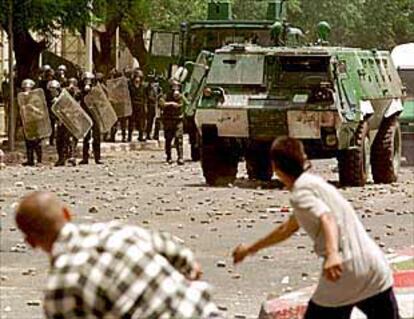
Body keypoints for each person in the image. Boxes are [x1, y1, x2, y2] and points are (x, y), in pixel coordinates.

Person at [232, 137, 399, 319]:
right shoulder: (315, 184)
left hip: (343, 271)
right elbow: (287, 228)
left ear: (275, 167)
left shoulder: (300, 194)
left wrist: (332, 254)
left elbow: (326, 217)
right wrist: (251, 249)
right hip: (374, 268)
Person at [15, 192, 220, 319]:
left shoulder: (59, 290)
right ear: (67, 214)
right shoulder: (120, 232)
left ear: (31, 242)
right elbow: (188, 263)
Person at [79, 72, 103, 165]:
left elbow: (101, 101)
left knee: (97, 137)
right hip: (86, 116)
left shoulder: (96, 90)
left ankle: (98, 158)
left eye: (89, 80)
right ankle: (85, 158)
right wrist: (84, 92)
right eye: (86, 80)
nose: (87, 82)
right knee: (86, 137)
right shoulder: (81, 91)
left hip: (95, 115)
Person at [160, 80, 185, 165]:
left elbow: (181, 105)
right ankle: (169, 157)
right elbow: (162, 103)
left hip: (178, 119)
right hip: (168, 120)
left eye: (177, 87)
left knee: (179, 138)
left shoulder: (180, 96)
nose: (176, 89)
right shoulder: (166, 95)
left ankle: (180, 157)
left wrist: (176, 100)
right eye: (174, 87)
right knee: (168, 139)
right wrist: (171, 103)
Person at [20, 79, 43, 166]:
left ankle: (39, 160)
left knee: (37, 142)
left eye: (28, 88)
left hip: (35, 121)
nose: (26, 90)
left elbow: (41, 111)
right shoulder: (23, 99)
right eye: (25, 88)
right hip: (27, 122)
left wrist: (32, 108)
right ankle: (30, 160)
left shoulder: (36, 98)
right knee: (28, 142)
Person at [128, 71, 146, 142]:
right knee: (131, 121)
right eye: (136, 77)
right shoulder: (130, 86)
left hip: (140, 105)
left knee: (141, 122)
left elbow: (145, 96)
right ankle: (129, 137)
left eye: (139, 77)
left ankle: (140, 136)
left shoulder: (143, 86)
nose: (137, 79)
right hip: (132, 105)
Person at [145, 73, 162, 140]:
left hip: (157, 105)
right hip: (151, 105)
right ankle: (148, 134)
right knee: (150, 121)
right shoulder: (148, 88)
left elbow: (161, 95)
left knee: (157, 121)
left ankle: (156, 135)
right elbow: (147, 97)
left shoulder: (159, 89)